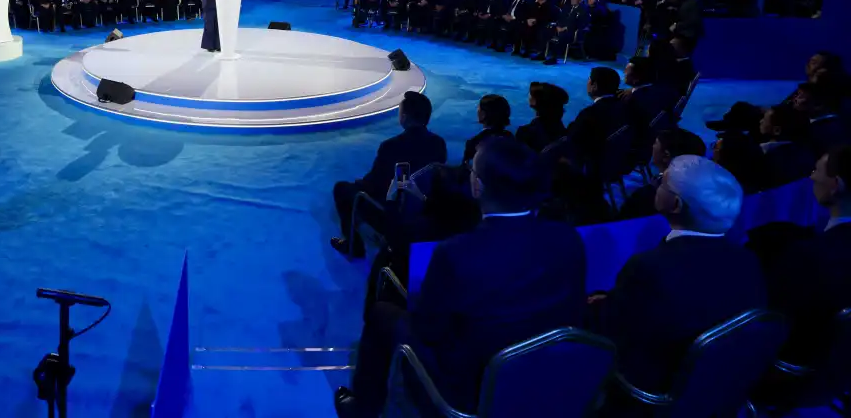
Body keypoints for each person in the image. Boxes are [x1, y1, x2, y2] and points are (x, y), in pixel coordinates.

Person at [335, 137, 586, 417]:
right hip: (546, 369)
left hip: (471, 386)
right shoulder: (568, 238)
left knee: (381, 312)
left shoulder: (455, 253)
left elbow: (428, 330)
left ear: (477, 186)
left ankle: (362, 408)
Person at [589, 156, 765, 393]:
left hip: (654, 391)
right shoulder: (747, 259)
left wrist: (603, 305)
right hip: (724, 386)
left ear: (675, 204)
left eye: (662, 181)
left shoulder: (649, 267)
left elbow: (615, 331)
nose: (656, 183)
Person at [750, 146, 851, 365]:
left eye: (817, 171)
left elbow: (772, 324)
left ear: (835, 185)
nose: (812, 177)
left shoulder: (807, 256)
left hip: (799, 368)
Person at [331, 92, 446, 257]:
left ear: (404, 117)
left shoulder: (390, 146)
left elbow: (374, 186)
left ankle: (353, 245)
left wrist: (359, 184)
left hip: (395, 214)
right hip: (426, 210)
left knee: (342, 189)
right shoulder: (439, 144)